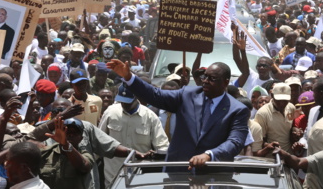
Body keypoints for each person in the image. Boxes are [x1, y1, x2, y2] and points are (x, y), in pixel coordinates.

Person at [107, 59, 249, 170]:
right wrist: (129, 77)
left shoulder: (237, 110)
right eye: (205, 77)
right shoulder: (187, 95)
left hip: (213, 177)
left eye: (212, 79)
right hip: (178, 173)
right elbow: (155, 95)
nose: (205, 81)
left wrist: (209, 155)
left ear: (225, 82)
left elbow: (235, 142)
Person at [99, 84, 170, 188]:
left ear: (136, 98)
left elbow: (162, 146)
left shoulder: (150, 116)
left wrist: (155, 154)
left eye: (128, 101)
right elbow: (100, 139)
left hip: (140, 176)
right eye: (122, 101)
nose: (124, 104)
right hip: (113, 175)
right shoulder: (110, 112)